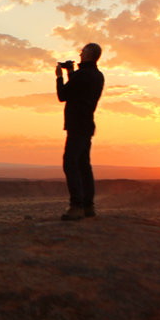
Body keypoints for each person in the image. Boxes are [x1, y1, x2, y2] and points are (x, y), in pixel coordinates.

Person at [55, 43, 105, 221]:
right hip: (86, 125)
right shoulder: (97, 75)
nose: (80, 54)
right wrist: (71, 73)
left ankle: (76, 206)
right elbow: (78, 89)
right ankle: (88, 207)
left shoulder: (83, 75)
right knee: (84, 165)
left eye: (82, 52)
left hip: (76, 125)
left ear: (89, 55)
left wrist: (60, 76)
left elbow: (63, 95)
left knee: (70, 163)